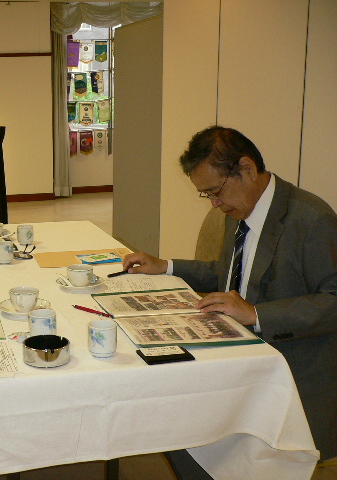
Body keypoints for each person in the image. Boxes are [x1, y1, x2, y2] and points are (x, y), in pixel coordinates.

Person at [121, 126, 337, 475]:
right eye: (206, 195)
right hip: (238, 350)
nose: (214, 204)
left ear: (247, 169)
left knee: (185, 418)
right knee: (167, 407)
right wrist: (166, 266)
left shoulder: (311, 220)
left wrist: (256, 313)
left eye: (216, 191)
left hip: (288, 368)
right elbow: (228, 275)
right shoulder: (240, 209)